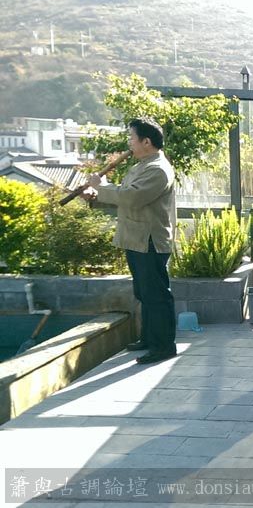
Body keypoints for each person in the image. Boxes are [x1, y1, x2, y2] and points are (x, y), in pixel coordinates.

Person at [81, 117, 178, 365]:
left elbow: (132, 197)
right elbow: (124, 196)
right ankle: (149, 338)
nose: (129, 143)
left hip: (149, 241)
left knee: (156, 296)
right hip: (136, 239)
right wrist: (96, 196)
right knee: (144, 293)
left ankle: (164, 346)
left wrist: (101, 186)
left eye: (132, 138)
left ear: (146, 142)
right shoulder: (142, 166)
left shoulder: (158, 169)